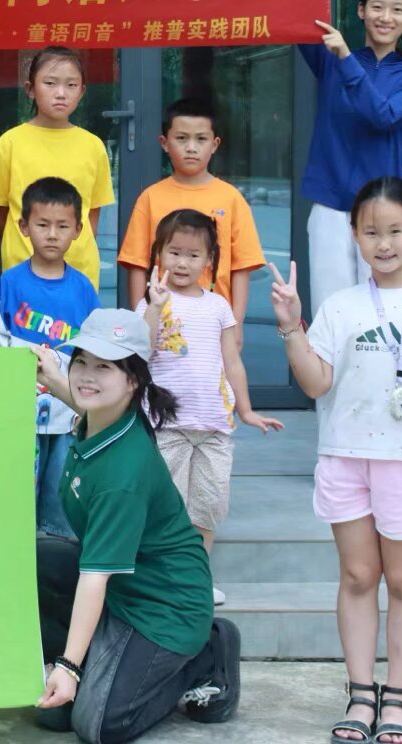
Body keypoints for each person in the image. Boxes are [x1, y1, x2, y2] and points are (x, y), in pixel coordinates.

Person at [268, 176, 402, 744]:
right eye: (370, 232)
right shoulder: (340, 307)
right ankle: (361, 694)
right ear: (354, 235)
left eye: (394, 230)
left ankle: (399, 698)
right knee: (359, 576)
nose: (383, 243)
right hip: (345, 457)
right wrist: (291, 325)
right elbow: (316, 383)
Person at [32, 308, 242, 741]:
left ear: (132, 381)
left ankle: (207, 652)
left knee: (97, 725)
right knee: (33, 560)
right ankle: (83, 663)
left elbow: (95, 576)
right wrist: (53, 377)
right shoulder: (105, 419)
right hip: (125, 586)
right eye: (81, 361)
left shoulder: (122, 474)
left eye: (104, 367)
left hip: (165, 608)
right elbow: (85, 398)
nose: (87, 376)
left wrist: (70, 668)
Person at [137, 209, 283, 607]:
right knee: (167, 507)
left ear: (209, 260)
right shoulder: (151, 302)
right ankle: (161, 581)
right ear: (158, 254)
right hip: (168, 425)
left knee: (208, 507)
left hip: (215, 426)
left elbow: (232, 361)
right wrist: (154, 306)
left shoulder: (219, 306)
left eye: (193, 255)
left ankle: (196, 580)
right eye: (174, 253)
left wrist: (246, 411)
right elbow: (141, 351)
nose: (183, 263)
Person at [302, 0, 402, 313]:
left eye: (397, 9)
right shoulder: (330, 59)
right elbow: (294, 13)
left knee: (391, 312)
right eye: (377, 7)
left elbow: (383, 116)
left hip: (388, 208)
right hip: (331, 205)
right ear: (361, 10)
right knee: (330, 311)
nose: (385, 17)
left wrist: (346, 58)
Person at [0, 177, 102, 538]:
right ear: (24, 226)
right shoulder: (10, 283)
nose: (52, 235)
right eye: (42, 225)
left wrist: (88, 402)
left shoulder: (83, 288)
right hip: (19, 412)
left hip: (67, 412)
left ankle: (59, 558)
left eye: (62, 226)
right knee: (18, 494)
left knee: (62, 494)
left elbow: (94, 350)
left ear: (78, 230)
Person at [117, 96, 264, 344]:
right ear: (164, 143)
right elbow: (137, 265)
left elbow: (241, 268)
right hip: (162, 322)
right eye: (182, 138)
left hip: (214, 324)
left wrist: (236, 324)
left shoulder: (231, 199)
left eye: (201, 139)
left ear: (215, 144)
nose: (191, 147)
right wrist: (141, 320)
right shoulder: (150, 198)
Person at [0, 46, 114, 289]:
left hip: (79, 271)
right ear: (30, 89)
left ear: (82, 91)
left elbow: (91, 215)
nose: (61, 93)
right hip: (21, 267)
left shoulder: (93, 146)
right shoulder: (10, 143)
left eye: (71, 85)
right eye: (50, 83)